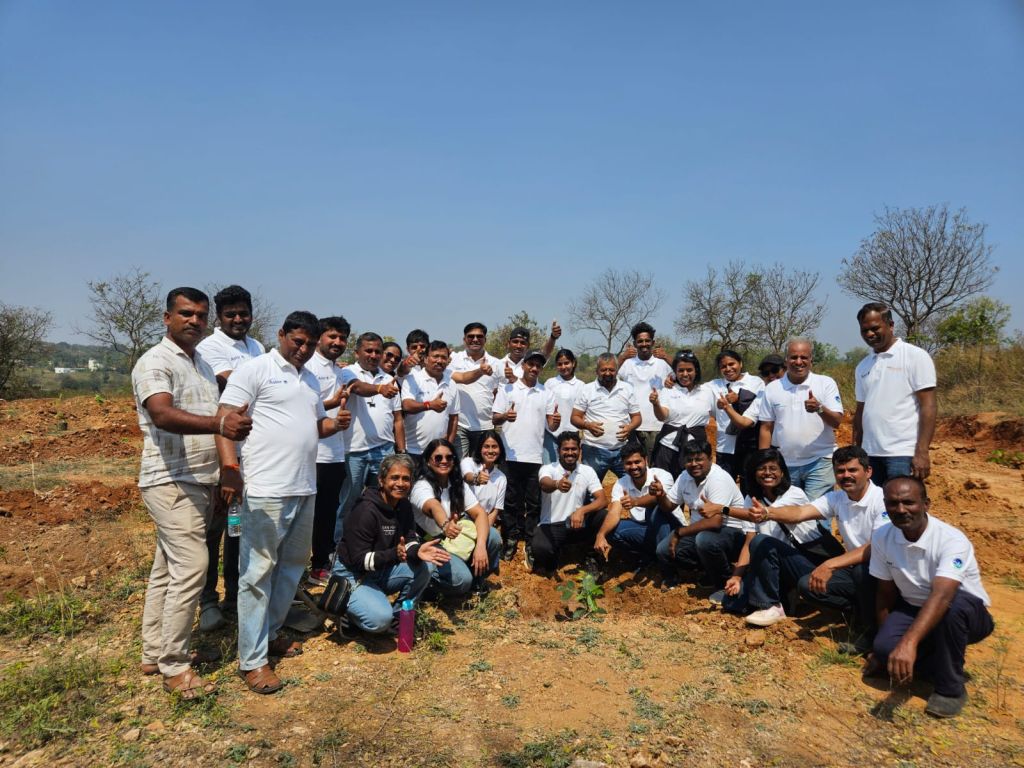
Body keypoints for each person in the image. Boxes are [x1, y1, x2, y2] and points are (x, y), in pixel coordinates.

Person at [215, 311, 351, 695]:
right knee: (257, 573)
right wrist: (229, 468)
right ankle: (252, 660)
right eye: (298, 341)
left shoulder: (308, 380)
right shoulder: (255, 370)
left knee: (290, 568)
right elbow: (225, 419)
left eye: (310, 344)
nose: (304, 350)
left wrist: (333, 425)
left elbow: (312, 426)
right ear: (281, 335)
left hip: (304, 486)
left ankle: (272, 632)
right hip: (265, 489)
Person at [132, 287, 252, 699]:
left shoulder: (200, 363)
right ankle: (175, 665)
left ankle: (155, 652)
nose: (194, 321)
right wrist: (220, 427)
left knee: (167, 568)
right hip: (170, 480)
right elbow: (162, 414)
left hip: (201, 479)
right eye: (186, 314)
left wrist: (225, 472)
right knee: (192, 566)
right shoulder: (155, 362)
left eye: (201, 315)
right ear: (167, 318)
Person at [867, 476, 994, 719]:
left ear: (926, 504)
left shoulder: (952, 540)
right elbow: (885, 593)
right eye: (892, 503)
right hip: (914, 608)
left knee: (952, 608)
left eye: (908, 502)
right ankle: (935, 661)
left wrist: (907, 643)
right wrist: (884, 648)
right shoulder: (883, 537)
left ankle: (950, 689)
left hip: (963, 612)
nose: (900, 510)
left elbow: (942, 595)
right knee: (884, 650)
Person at [747, 446, 887, 644]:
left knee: (860, 572)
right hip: (854, 567)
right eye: (840, 471)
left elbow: (876, 548)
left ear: (868, 471)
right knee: (808, 585)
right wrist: (768, 514)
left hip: (883, 571)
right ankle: (857, 611)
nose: (846, 475)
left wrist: (830, 564)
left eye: (852, 470)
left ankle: (869, 630)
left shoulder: (882, 500)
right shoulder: (837, 498)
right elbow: (800, 513)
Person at [195, 284, 265, 632]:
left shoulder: (257, 347)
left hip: (250, 455)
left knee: (239, 530)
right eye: (230, 314)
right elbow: (232, 384)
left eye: (243, 313)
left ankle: (234, 595)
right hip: (222, 454)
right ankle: (207, 598)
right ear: (219, 318)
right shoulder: (210, 347)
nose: (238, 319)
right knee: (214, 530)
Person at [332, 453, 451, 635]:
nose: (400, 483)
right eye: (394, 477)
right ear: (381, 480)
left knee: (426, 566)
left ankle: (397, 616)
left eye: (406, 479)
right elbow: (358, 560)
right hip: (353, 572)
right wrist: (395, 554)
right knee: (379, 621)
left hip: (382, 567)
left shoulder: (403, 505)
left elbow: (409, 538)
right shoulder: (365, 510)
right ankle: (349, 611)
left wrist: (417, 550)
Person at [714, 449, 836, 623]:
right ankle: (781, 598)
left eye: (773, 468)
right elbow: (749, 541)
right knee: (733, 602)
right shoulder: (752, 499)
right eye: (762, 469)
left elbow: (764, 515)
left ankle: (770, 605)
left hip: (805, 562)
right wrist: (737, 576)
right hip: (774, 564)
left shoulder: (794, 494)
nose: (768, 473)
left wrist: (722, 509)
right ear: (754, 473)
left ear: (782, 472)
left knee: (763, 542)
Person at [853, 302, 937, 485]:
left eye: (875, 328)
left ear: (890, 325)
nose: (869, 334)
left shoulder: (915, 356)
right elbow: (861, 410)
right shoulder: (863, 366)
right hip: (870, 454)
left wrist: (922, 451)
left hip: (902, 453)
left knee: (903, 509)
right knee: (876, 510)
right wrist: (856, 452)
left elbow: (928, 405)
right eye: (864, 330)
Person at [410, 439, 501, 595]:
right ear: (428, 461)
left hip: (454, 539)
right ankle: (424, 582)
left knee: (492, 536)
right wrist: (445, 525)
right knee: (461, 581)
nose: (444, 461)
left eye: (449, 457)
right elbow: (433, 506)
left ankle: (476, 583)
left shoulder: (456, 483)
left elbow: (479, 513)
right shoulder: (421, 486)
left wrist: (480, 546)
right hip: (432, 542)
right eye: (438, 458)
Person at [493, 350, 559, 564]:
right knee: (511, 501)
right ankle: (511, 537)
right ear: (523, 365)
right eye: (530, 364)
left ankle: (530, 541)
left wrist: (556, 422)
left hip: (534, 456)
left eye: (538, 365)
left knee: (533, 502)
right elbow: (495, 418)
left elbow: (551, 424)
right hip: (510, 454)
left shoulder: (546, 393)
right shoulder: (507, 389)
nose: (534, 368)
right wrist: (505, 416)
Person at [336, 332, 403, 544]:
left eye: (377, 351)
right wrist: (379, 389)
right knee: (349, 501)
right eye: (368, 351)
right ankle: (340, 545)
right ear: (357, 352)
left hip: (384, 450)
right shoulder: (347, 373)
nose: (373, 355)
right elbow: (356, 388)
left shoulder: (389, 379)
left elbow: (397, 419)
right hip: (354, 451)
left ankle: (379, 542)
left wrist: (400, 452)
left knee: (384, 500)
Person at [756, 339, 843, 500]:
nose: (798, 362)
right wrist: (764, 462)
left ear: (811, 360)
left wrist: (819, 408)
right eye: (793, 357)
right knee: (789, 516)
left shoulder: (825, 383)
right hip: (786, 464)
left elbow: (837, 421)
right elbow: (766, 428)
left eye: (804, 357)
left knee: (818, 515)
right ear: (786, 360)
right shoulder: (773, 389)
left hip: (820, 462)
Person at [655, 441, 747, 590]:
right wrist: (660, 496)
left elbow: (715, 522)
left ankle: (724, 582)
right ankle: (709, 569)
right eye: (689, 460)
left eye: (699, 459)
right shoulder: (685, 476)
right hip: (698, 533)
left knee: (704, 540)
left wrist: (679, 532)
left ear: (710, 459)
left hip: (730, 535)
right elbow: (669, 506)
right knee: (663, 550)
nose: (694, 464)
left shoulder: (719, 479)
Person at [305, 316, 352, 585]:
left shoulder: (339, 369)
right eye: (332, 336)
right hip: (315, 453)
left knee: (328, 511)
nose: (337, 342)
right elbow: (301, 405)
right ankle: (311, 564)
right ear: (320, 337)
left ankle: (320, 564)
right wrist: (331, 402)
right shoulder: (309, 365)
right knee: (311, 513)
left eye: (342, 337)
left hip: (335, 451)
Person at [532, 432, 608, 574]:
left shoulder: (587, 471)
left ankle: (591, 556)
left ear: (579, 450)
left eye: (574, 449)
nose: (570, 453)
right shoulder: (548, 469)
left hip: (577, 524)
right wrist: (557, 484)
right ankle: (555, 554)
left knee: (604, 516)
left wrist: (582, 511)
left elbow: (603, 500)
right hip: (552, 526)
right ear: (558, 451)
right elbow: (544, 484)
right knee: (541, 549)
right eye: (565, 449)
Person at [593, 443, 674, 572]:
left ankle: (668, 567)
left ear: (646, 460)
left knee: (654, 511)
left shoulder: (662, 476)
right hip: (643, 529)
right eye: (628, 463)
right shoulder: (621, 483)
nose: (634, 467)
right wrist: (601, 534)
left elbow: (656, 498)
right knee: (611, 530)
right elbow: (614, 512)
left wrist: (636, 502)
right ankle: (647, 555)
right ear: (623, 465)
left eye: (637, 462)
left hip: (669, 529)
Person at [571, 353, 641, 481]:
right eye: (603, 370)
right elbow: (575, 417)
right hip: (594, 450)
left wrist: (630, 427)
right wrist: (587, 425)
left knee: (633, 485)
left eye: (611, 369)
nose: (607, 373)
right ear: (597, 371)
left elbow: (637, 417)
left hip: (622, 450)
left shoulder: (627, 389)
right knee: (590, 491)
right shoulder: (587, 389)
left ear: (617, 370)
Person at [649, 350, 714, 477]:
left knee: (693, 487)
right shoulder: (668, 390)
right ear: (675, 372)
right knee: (664, 485)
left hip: (696, 451)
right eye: (680, 371)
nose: (685, 374)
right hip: (668, 448)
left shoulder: (707, 391)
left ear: (696, 371)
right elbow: (663, 416)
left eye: (689, 370)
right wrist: (656, 404)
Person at [707, 349, 764, 489]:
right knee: (724, 488)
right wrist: (672, 378)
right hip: (724, 447)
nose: (728, 369)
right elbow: (690, 382)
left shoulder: (756, 383)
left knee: (749, 488)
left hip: (749, 447)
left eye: (732, 364)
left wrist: (739, 399)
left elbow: (759, 409)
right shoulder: (714, 385)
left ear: (740, 363)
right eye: (723, 366)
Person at [616, 323, 673, 459]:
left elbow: (682, 373)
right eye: (640, 341)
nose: (644, 344)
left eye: (647, 341)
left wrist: (667, 357)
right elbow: (608, 373)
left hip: (656, 424)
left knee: (654, 463)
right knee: (633, 463)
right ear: (635, 344)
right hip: (632, 424)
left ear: (653, 342)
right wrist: (622, 357)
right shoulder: (628, 363)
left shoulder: (662, 363)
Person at [447, 322, 501, 461]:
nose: (475, 339)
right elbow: (463, 379)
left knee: (482, 467)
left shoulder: (496, 363)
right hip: (460, 425)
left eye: (479, 336)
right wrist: (480, 371)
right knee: (461, 467)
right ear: (464, 339)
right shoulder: (453, 359)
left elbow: (500, 392)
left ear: (485, 340)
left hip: (485, 425)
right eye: (471, 336)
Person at [400, 340, 460, 460]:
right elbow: (406, 405)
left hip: (438, 452)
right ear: (426, 359)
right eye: (435, 356)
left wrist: (449, 445)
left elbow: (454, 418)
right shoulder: (413, 378)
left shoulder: (451, 383)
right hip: (413, 450)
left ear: (448, 361)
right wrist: (429, 405)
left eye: (443, 357)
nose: (439, 361)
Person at [461, 431, 507, 534]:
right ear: (480, 448)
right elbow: (467, 476)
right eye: (486, 446)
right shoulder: (468, 462)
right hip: (463, 518)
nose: (490, 451)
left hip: (484, 522)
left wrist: (483, 532)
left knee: (494, 537)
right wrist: (476, 479)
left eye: (494, 447)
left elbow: (495, 511)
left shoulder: (501, 478)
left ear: (500, 450)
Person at [543, 349, 584, 464]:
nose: (563, 366)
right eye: (560, 364)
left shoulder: (581, 386)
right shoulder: (550, 383)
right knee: (549, 468)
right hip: (551, 434)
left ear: (573, 363)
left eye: (566, 363)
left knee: (570, 469)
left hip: (571, 435)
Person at [496, 322, 560, 386]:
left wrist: (553, 337)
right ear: (508, 343)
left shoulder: (532, 363)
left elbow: (546, 352)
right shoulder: (497, 365)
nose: (518, 346)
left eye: (523, 343)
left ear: (528, 346)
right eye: (515, 342)